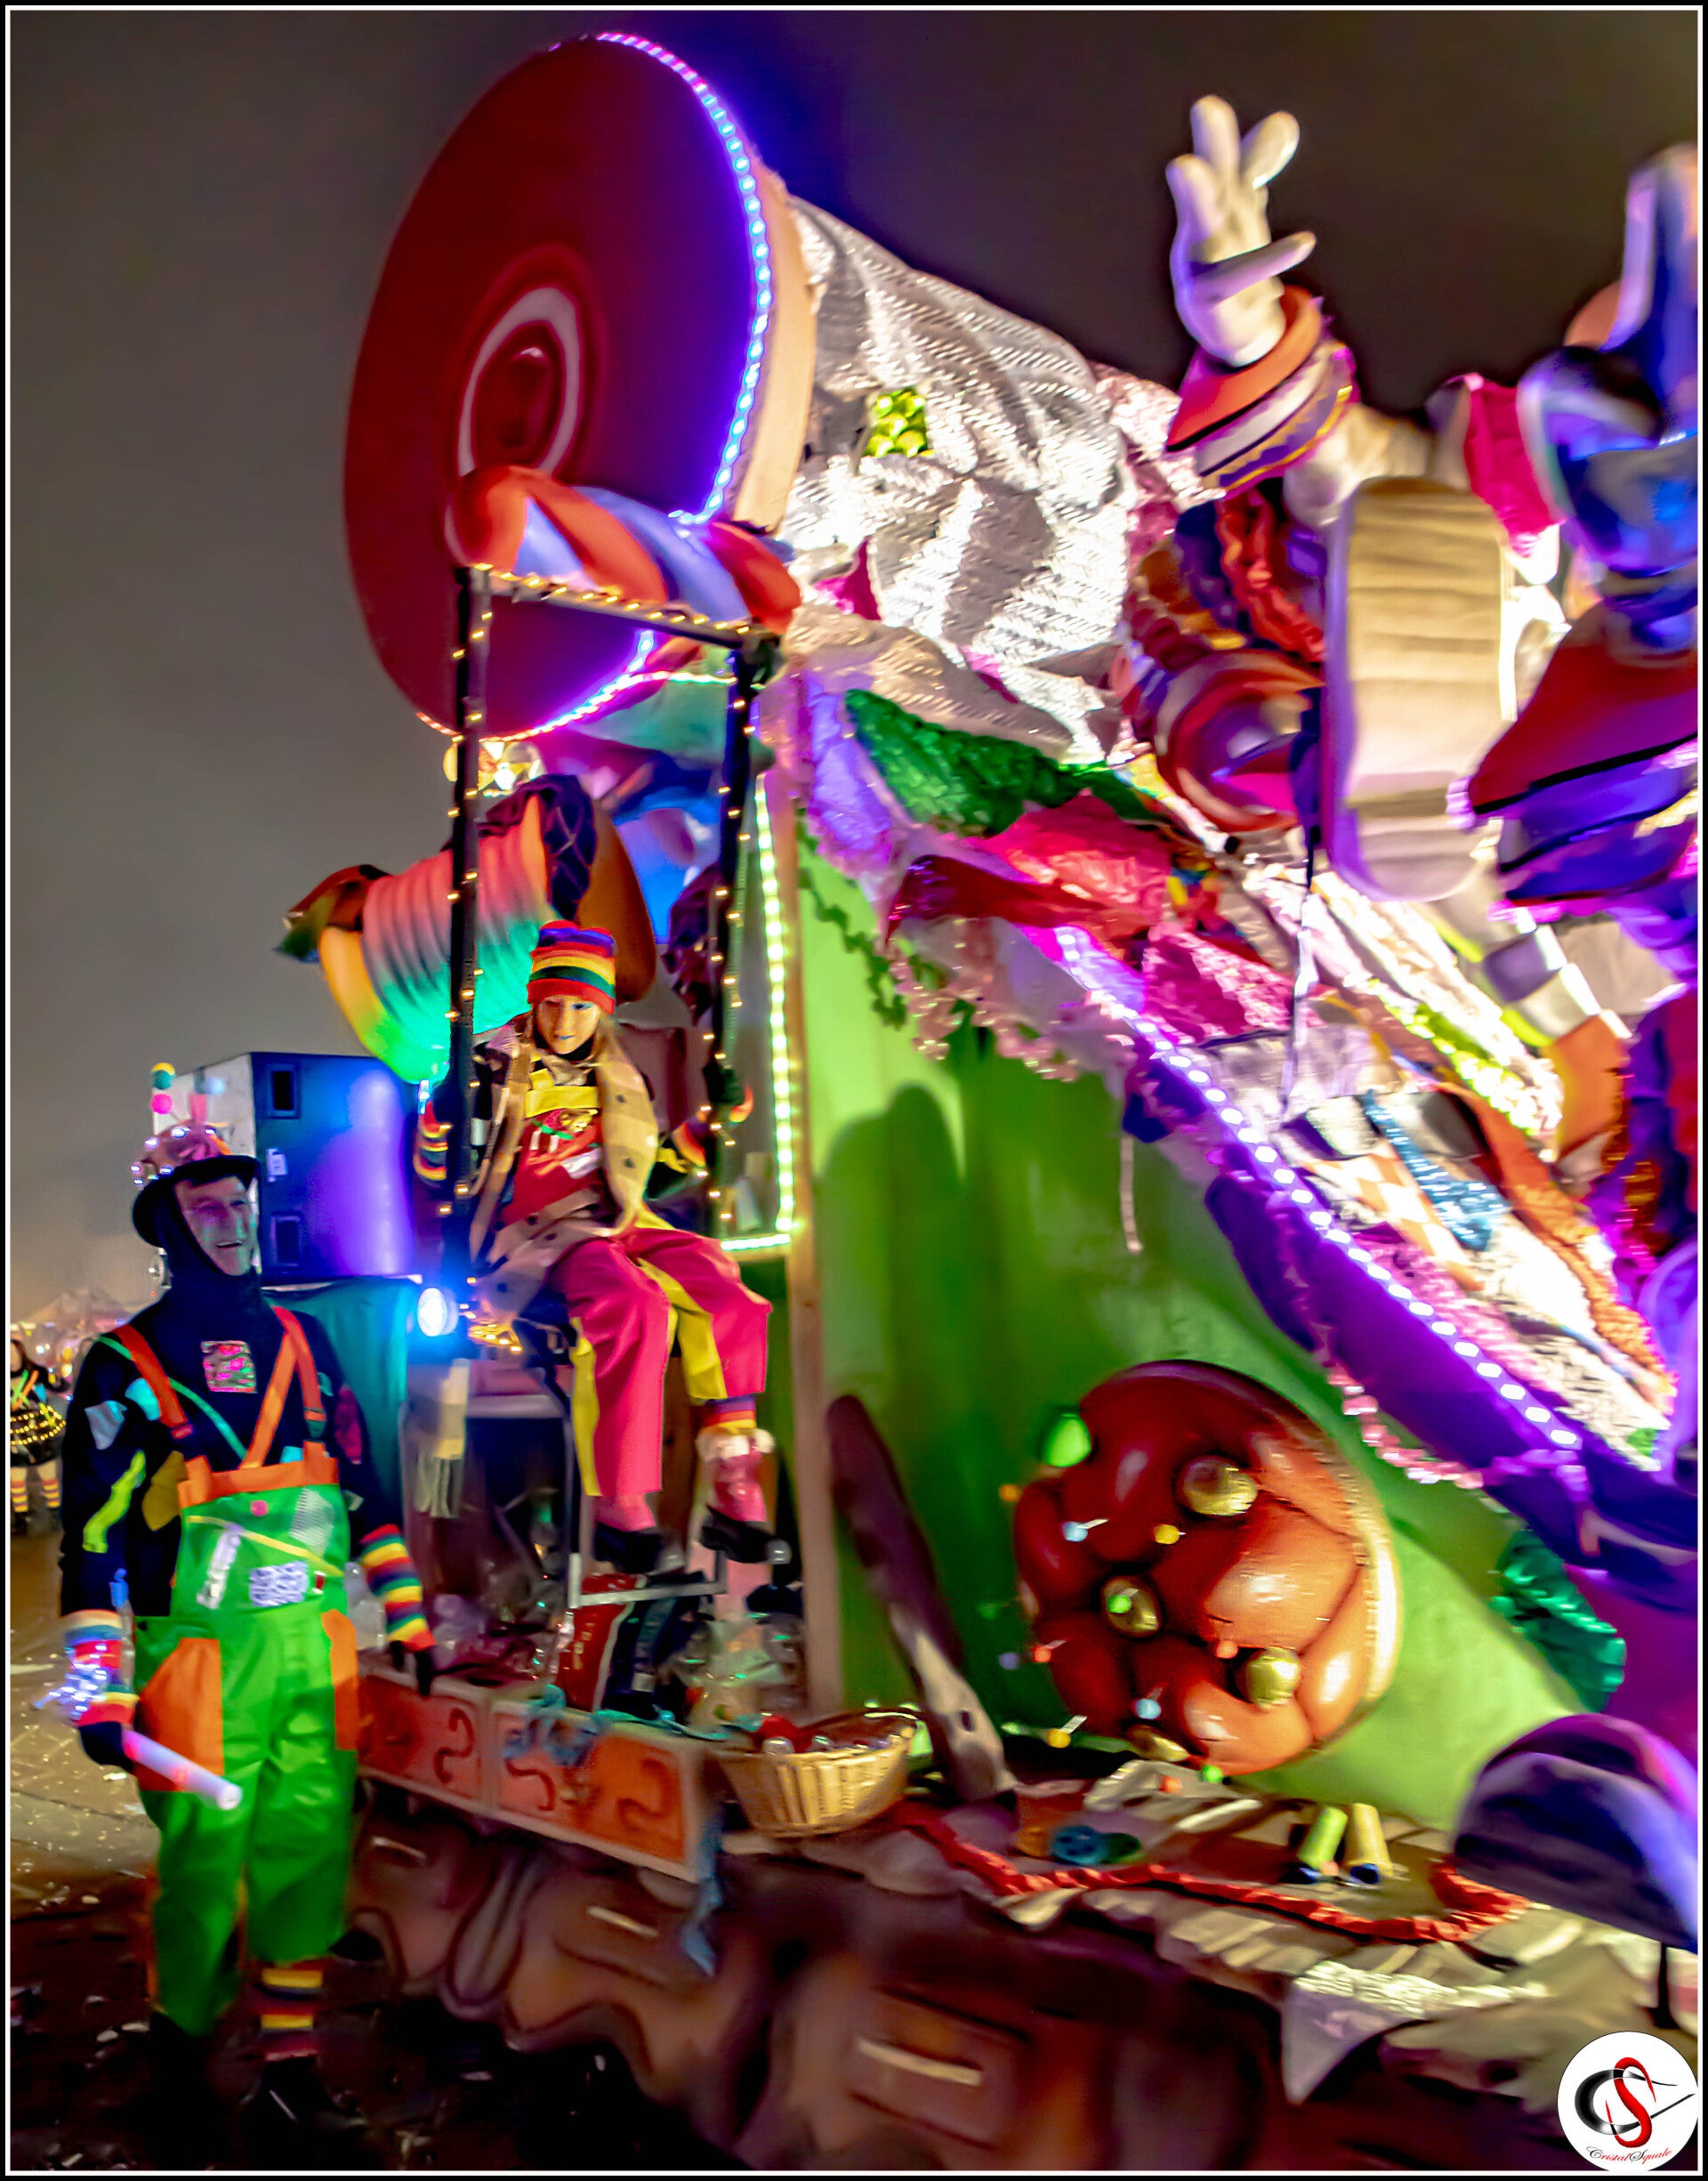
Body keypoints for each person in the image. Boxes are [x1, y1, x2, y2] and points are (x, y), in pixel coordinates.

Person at [55, 1118, 435, 2148]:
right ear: (166, 1224)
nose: (231, 1221)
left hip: (315, 1651)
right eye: (205, 1205)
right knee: (202, 1870)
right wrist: (96, 1681)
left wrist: (406, 1613)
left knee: (307, 1856)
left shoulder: (308, 1344)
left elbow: (365, 1490)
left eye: (239, 1200)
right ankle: (178, 2064)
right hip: (199, 1664)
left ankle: (290, 2075)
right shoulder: (123, 1364)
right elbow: (91, 1534)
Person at [415, 921, 773, 1572]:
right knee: (633, 1304)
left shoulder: (620, 1072)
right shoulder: (490, 1067)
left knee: (724, 1287)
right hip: (542, 1233)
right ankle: (621, 1497)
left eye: (581, 1007)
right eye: (552, 1003)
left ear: (601, 1010)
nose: (565, 1021)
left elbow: (649, 1174)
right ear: (534, 1001)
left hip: (625, 1219)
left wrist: (707, 1128)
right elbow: (437, 1174)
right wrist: (442, 1117)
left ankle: (733, 1475)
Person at [11, 1333, 63, 1535]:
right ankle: (21, 1517)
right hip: (12, 1431)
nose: (10, 1358)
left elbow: (59, 1386)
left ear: (21, 1353)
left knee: (48, 1473)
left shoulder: (37, 1372)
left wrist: (56, 1377)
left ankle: (55, 1512)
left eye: (13, 1353)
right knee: (16, 1476)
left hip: (38, 1427)